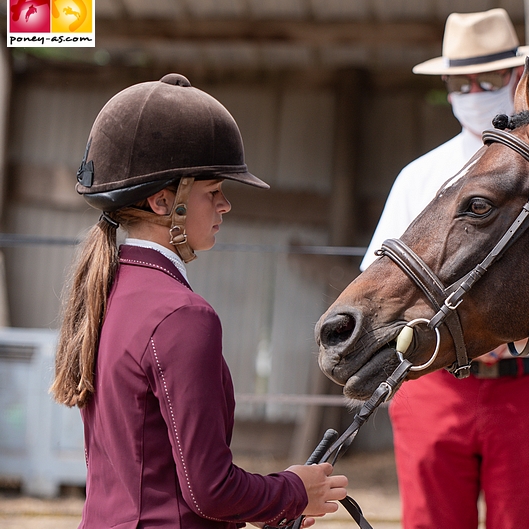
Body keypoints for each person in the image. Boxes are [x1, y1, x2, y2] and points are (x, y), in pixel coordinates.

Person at [50, 73, 348, 529]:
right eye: (213, 192)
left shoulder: (108, 289)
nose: (225, 206)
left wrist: (270, 505)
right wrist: (293, 491)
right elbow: (209, 491)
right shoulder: (183, 315)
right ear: (161, 202)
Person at [361, 9, 529, 529]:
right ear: (448, 86)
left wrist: (525, 331)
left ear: (520, 78)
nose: (474, 91)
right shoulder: (420, 176)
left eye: (490, 78)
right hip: (433, 385)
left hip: (525, 384)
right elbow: (377, 292)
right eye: (462, 81)